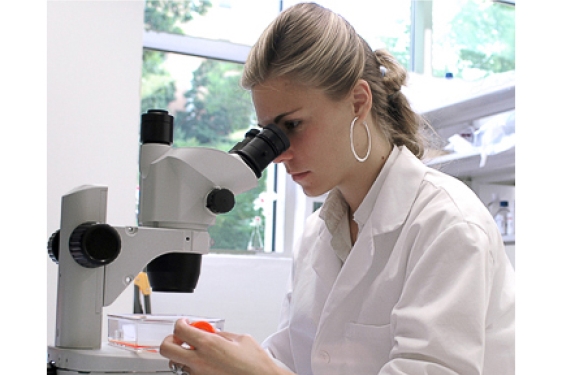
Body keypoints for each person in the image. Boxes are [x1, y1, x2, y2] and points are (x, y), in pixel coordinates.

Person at [159, 3, 516, 374]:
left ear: (358, 102)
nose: (279, 154)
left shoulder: (449, 224)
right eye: (269, 134)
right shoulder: (319, 232)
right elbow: (294, 358)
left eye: (293, 124)